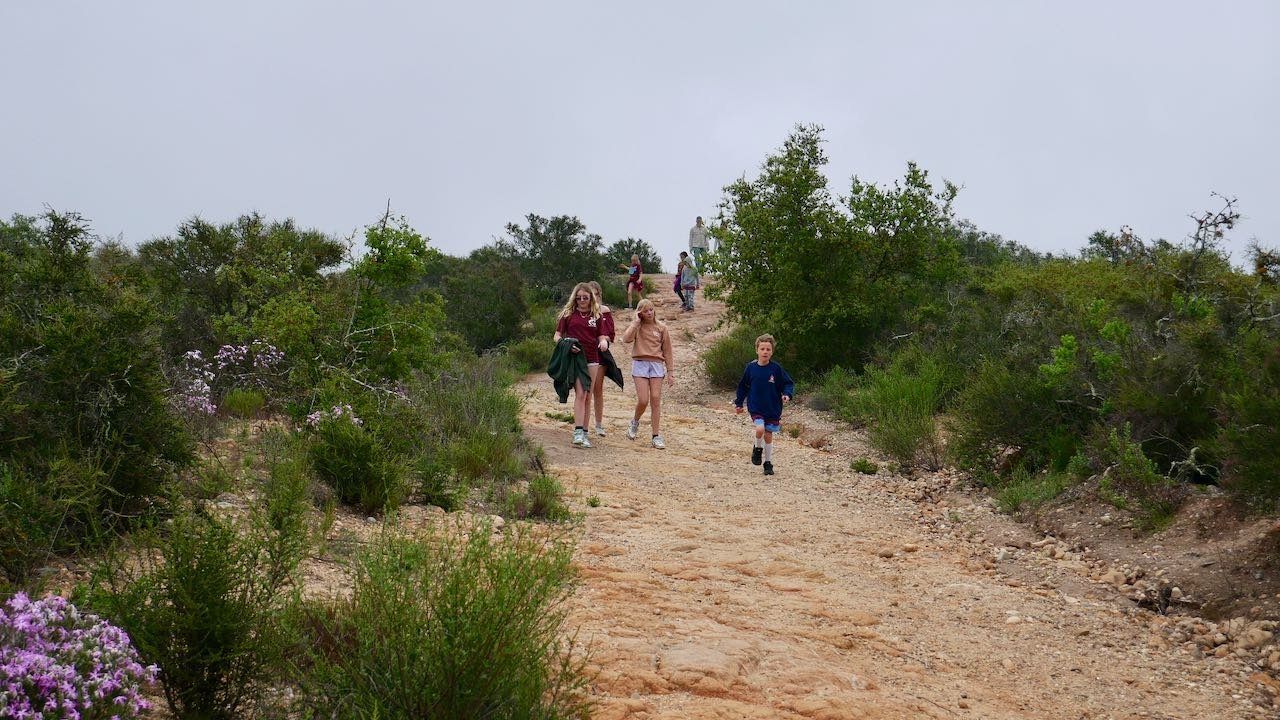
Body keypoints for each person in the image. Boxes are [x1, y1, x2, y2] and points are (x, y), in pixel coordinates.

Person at [553, 282, 610, 448]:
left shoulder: (596, 315)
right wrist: (565, 344)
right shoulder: (568, 314)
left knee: (587, 394)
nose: (582, 301)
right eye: (579, 298)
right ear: (575, 298)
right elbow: (557, 335)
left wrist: (603, 342)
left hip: (592, 357)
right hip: (575, 358)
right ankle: (578, 431)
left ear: (590, 298)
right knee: (581, 392)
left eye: (585, 298)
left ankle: (584, 431)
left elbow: (602, 335)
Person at [734, 334, 794, 476]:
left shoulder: (776, 369)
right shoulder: (751, 368)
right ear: (757, 350)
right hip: (756, 406)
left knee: (768, 434)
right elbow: (743, 386)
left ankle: (768, 462)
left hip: (773, 407)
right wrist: (739, 403)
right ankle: (757, 450)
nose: (765, 351)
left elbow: (788, 383)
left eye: (768, 349)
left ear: (772, 351)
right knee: (760, 429)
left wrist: (787, 394)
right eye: (762, 349)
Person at [621, 298, 674, 449]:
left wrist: (670, 372)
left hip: (657, 364)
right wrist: (635, 323)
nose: (649, 313)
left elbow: (668, 351)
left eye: (651, 309)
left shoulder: (662, 328)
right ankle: (634, 422)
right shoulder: (637, 327)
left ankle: (656, 435)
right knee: (643, 400)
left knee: (656, 399)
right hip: (640, 364)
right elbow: (626, 339)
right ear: (640, 313)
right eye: (646, 310)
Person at [587, 280, 617, 437]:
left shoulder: (604, 311)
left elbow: (610, 334)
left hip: (600, 353)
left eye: (596, 294)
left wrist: (602, 339)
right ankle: (582, 424)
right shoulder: (581, 312)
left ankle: (598, 424)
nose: (594, 297)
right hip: (584, 352)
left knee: (597, 389)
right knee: (585, 390)